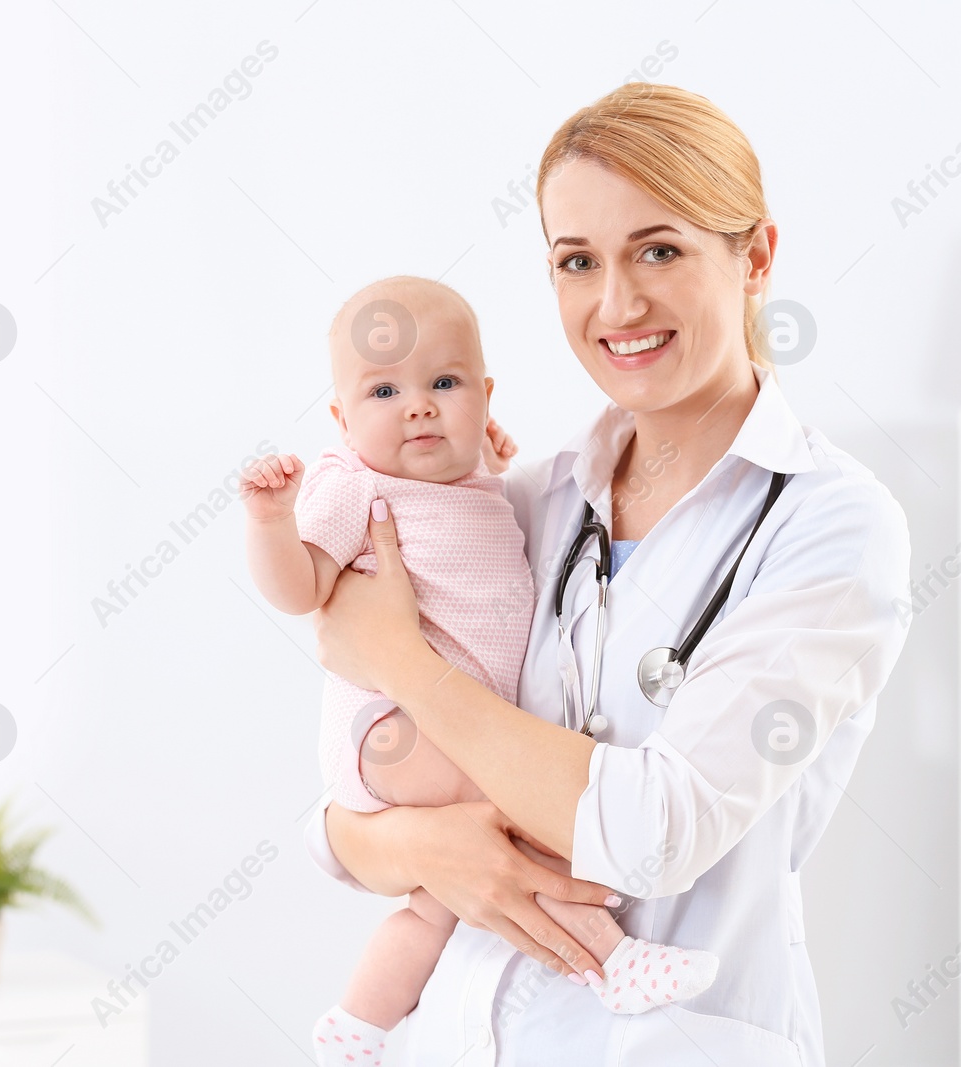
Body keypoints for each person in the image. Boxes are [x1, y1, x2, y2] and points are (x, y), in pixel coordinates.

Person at [303, 82, 912, 1065]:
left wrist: (407, 667)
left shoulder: (829, 524)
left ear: (754, 255)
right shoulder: (532, 499)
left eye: (658, 249)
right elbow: (336, 826)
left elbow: (653, 830)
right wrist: (427, 849)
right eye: (576, 261)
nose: (615, 303)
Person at [238, 275, 721, 1067]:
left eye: (445, 383)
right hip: (389, 730)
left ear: (485, 398)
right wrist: (270, 523)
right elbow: (301, 593)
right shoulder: (353, 483)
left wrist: (491, 466)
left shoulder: (487, 486)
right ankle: (612, 956)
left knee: (433, 907)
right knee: (533, 814)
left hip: (429, 724)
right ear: (341, 417)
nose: (419, 405)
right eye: (385, 389)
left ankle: (356, 1024)